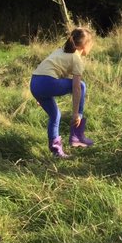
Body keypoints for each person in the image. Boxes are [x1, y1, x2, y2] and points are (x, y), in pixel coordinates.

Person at [30, 27, 95, 158]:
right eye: (91, 45)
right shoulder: (76, 59)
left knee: (55, 115)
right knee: (82, 85)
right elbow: (76, 88)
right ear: (85, 45)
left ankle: (57, 151)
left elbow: (49, 70)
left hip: (35, 84)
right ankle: (77, 134)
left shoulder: (60, 51)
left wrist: (41, 94)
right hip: (46, 83)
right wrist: (76, 113)